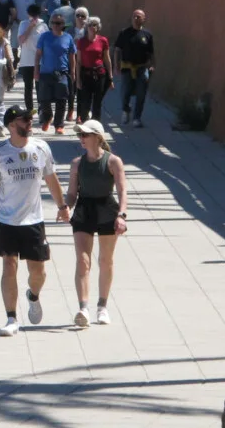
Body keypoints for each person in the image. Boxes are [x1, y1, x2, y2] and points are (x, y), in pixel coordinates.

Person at [0, 106, 69, 336]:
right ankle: (11, 318)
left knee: (37, 272)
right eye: (25, 120)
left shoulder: (40, 148)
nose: (30, 122)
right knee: (9, 265)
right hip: (7, 221)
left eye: (30, 119)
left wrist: (62, 206)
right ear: (12, 125)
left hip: (34, 220)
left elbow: (51, 178)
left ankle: (33, 295)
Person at [65, 120, 129, 326]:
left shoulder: (113, 162)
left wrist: (122, 215)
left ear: (98, 137)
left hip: (106, 210)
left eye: (85, 135)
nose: (81, 139)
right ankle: (83, 308)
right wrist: (65, 207)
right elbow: (72, 193)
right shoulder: (77, 163)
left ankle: (102, 306)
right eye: (80, 135)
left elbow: (122, 190)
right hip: (84, 210)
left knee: (105, 260)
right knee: (83, 261)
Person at [35, 13, 77, 134]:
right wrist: (36, 71)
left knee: (61, 99)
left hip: (62, 73)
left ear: (63, 25)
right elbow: (38, 55)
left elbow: (72, 56)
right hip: (45, 73)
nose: (55, 25)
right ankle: (48, 118)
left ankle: (59, 125)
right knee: (44, 99)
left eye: (58, 23)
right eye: (53, 23)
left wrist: (73, 72)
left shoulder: (68, 38)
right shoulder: (44, 37)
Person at [113, 9, 155, 128]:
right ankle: (126, 110)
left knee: (141, 93)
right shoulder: (124, 33)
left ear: (143, 19)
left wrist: (152, 65)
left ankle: (137, 118)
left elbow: (151, 53)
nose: (136, 19)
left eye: (139, 17)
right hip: (127, 67)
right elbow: (117, 50)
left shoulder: (147, 35)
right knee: (125, 92)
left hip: (142, 68)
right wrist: (116, 65)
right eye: (134, 17)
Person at [75, 16, 114, 123]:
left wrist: (110, 77)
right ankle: (84, 122)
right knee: (85, 102)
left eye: (95, 25)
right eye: (90, 25)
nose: (93, 27)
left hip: (100, 74)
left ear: (98, 27)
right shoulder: (81, 42)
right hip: (85, 74)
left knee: (97, 102)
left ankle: (96, 124)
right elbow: (78, 62)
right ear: (87, 27)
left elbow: (107, 59)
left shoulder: (103, 40)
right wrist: (78, 80)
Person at [16, 3, 47, 112]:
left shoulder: (44, 26)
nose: (34, 17)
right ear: (28, 14)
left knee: (40, 87)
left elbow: (46, 43)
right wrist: (30, 27)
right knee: (28, 87)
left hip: (40, 62)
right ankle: (29, 110)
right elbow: (21, 41)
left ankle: (41, 109)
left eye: (36, 15)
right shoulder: (23, 24)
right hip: (26, 61)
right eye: (31, 15)